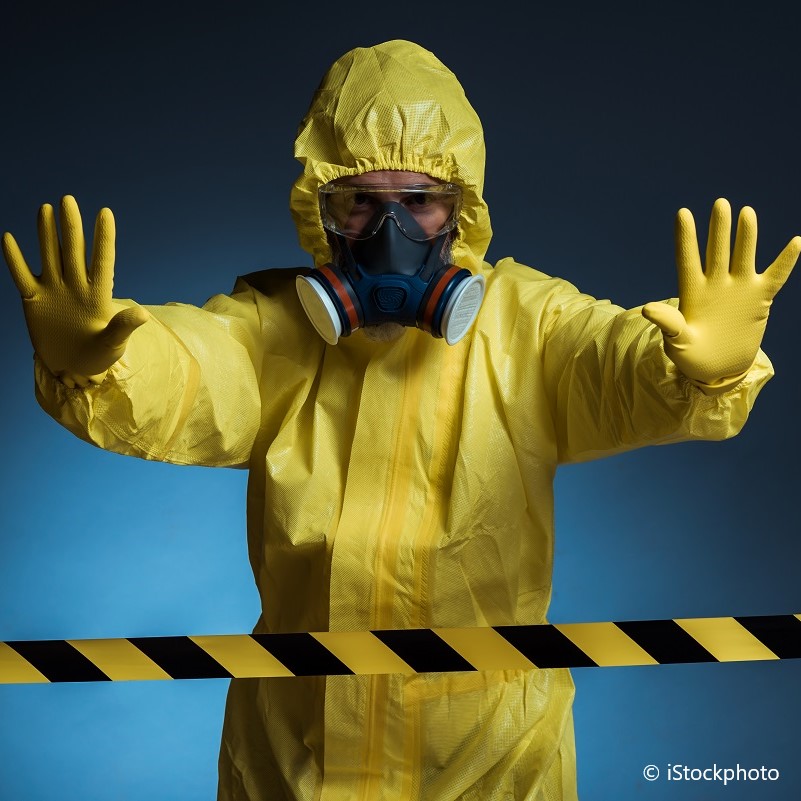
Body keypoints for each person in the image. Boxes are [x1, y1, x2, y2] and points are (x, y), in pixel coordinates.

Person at [2, 39, 798, 801]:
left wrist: (700, 367)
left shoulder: (526, 328)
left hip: (489, 761)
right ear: (320, 211)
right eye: (359, 203)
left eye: (420, 200)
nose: (390, 234)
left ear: (463, 210)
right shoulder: (273, 330)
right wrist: (101, 363)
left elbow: (614, 364)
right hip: (297, 759)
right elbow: (190, 367)